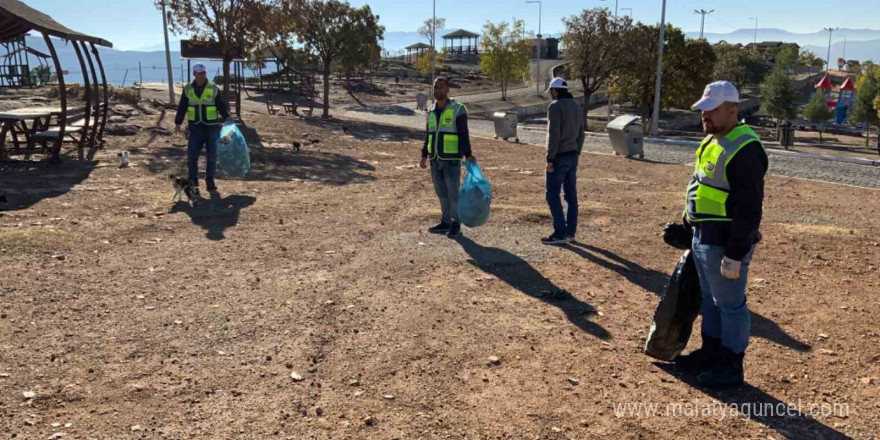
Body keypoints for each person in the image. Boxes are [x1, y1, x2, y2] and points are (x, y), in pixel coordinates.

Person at [669, 80, 769, 389]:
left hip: (726, 243)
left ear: (733, 109)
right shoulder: (711, 141)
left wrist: (736, 254)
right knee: (710, 302)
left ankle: (731, 365)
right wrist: (688, 226)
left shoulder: (745, 147)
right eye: (702, 110)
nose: (705, 116)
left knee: (730, 304)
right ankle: (710, 354)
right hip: (704, 238)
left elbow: (750, 208)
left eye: (711, 110)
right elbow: (701, 186)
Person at [419, 77, 476, 238]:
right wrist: (424, 155)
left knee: (453, 194)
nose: (438, 90)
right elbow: (428, 135)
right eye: (435, 87)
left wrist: (468, 154)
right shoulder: (431, 111)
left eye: (441, 87)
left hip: (451, 159)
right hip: (435, 159)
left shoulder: (458, 109)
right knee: (441, 193)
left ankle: (456, 223)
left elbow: (464, 134)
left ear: (448, 89)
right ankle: (445, 222)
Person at [542, 77, 585, 245]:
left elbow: (554, 134)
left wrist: (550, 159)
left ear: (555, 90)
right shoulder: (576, 106)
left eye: (551, 91)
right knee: (571, 194)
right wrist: (577, 152)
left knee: (552, 194)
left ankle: (559, 232)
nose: (551, 94)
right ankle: (570, 232)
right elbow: (582, 133)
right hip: (573, 154)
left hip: (559, 156)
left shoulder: (555, 106)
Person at [174, 63, 230, 192]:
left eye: (204, 72)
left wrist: (227, 117)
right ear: (194, 74)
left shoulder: (213, 87)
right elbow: (182, 106)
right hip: (195, 128)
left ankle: (210, 182)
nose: (202, 75)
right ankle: (193, 182)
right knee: (192, 157)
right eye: (199, 73)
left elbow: (220, 105)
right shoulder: (188, 89)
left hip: (212, 128)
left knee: (212, 156)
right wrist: (178, 122)